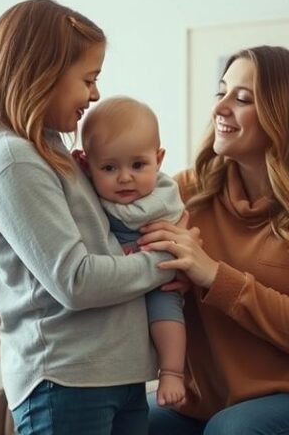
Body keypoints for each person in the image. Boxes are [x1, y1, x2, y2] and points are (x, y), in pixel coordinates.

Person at [0, 0, 180, 435]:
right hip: (66, 379)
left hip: (112, 374)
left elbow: (109, 236)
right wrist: (166, 261)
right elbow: (75, 281)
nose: (95, 94)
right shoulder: (12, 159)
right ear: (44, 72)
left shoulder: (49, 146)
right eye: (89, 79)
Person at [140, 46, 289, 435]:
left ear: (285, 114)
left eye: (242, 99)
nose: (220, 108)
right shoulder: (187, 191)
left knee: (235, 430)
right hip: (207, 404)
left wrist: (212, 275)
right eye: (220, 92)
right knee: (121, 420)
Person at [77, 96, 187, 408]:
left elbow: (175, 244)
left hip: (156, 273)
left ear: (159, 159)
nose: (125, 177)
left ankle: (173, 372)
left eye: (138, 165)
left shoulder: (162, 199)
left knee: (166, 309)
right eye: (109, 167)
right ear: (88, 165)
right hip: (116, 282)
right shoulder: (86, 191)